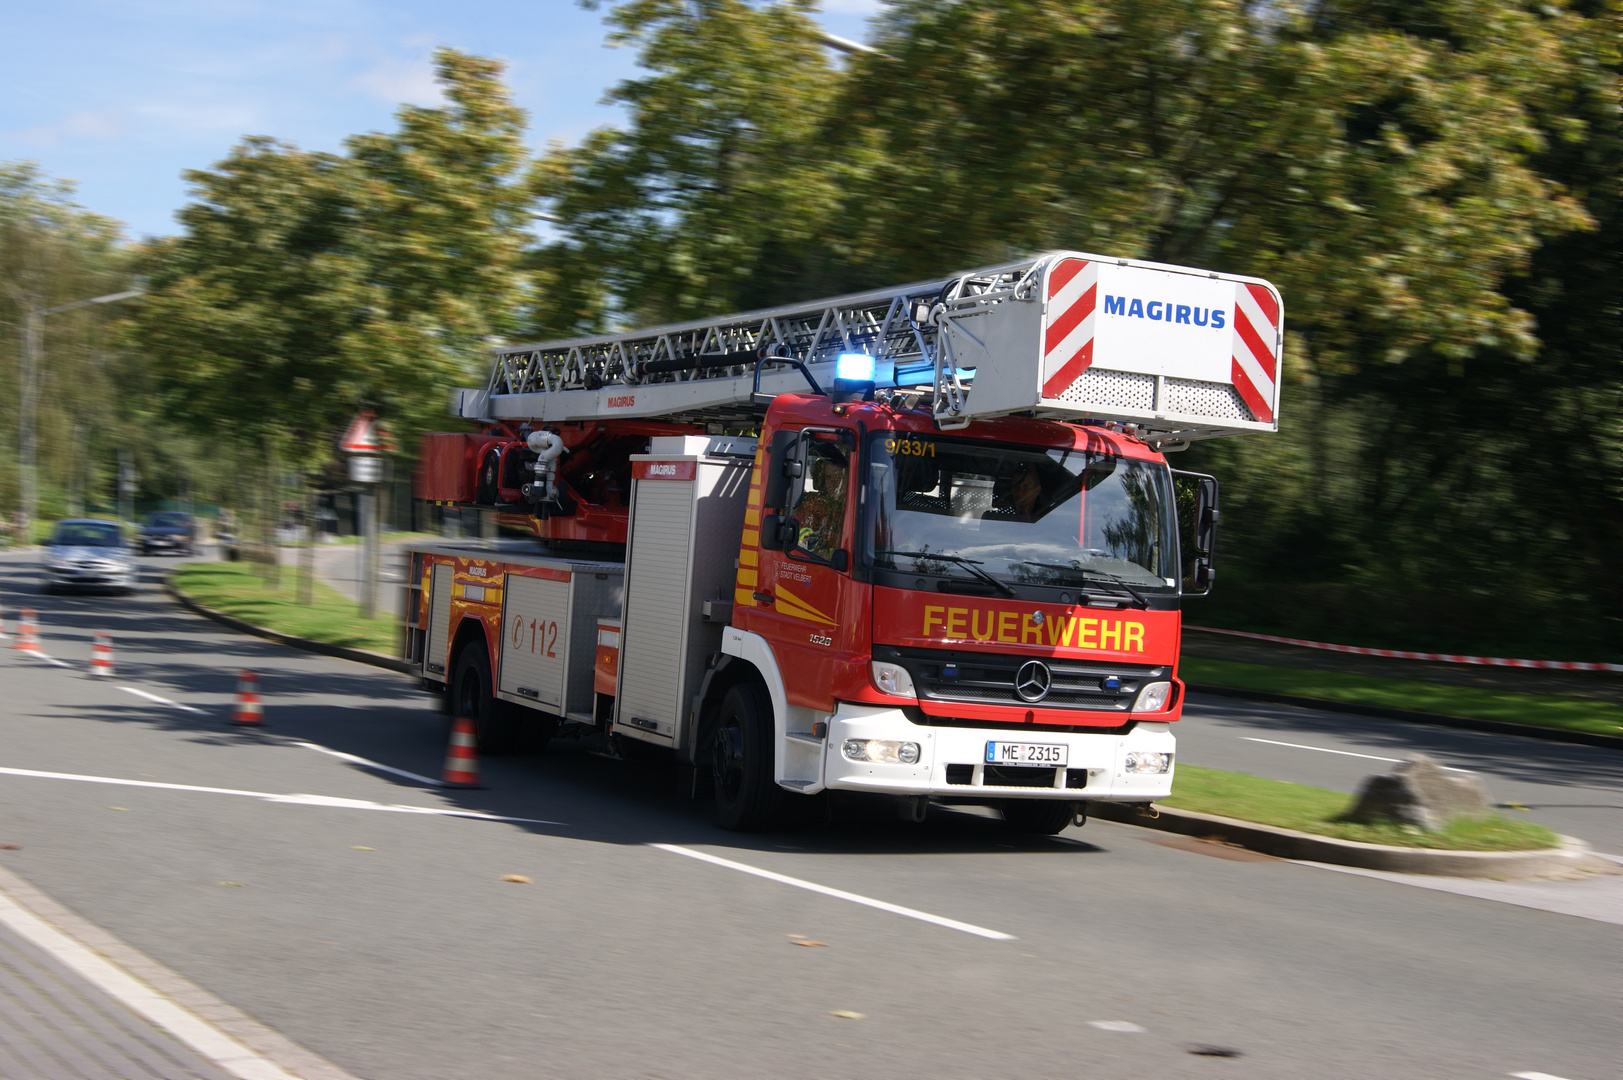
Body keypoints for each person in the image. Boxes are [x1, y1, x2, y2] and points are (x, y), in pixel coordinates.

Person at [794, 451, 848, 560]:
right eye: (828, 478)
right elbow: (801, 534)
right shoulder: (813, 504)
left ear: (847, 478)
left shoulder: (857, 507)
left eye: (838, 477)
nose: (833, 482)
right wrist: (815, 549)